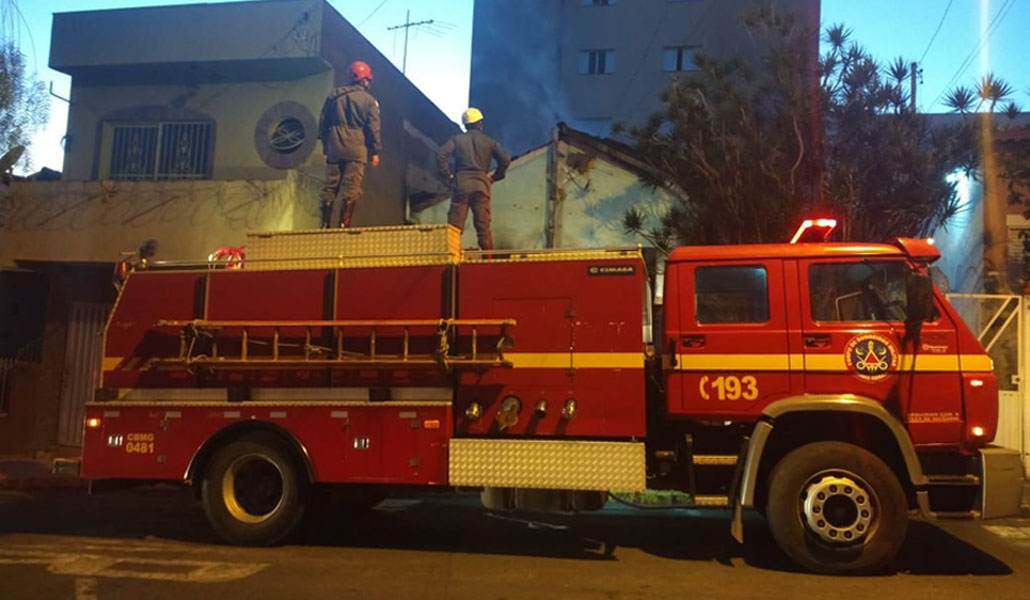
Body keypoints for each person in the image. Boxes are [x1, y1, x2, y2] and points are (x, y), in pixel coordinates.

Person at [317, 60, 382, 228]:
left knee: (330, 186)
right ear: (364, 80)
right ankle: (343, 225)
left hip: (334, 145)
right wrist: (375, 151)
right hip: (356, 148)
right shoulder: (369, 101)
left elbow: (323, 122)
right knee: (351, 188)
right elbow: (373, 128)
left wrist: (325, 142)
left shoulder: (334, 96)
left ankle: (324, 225)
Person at [437, 107, 510, 250]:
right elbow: (505, 160)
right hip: (482, 186)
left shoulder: (457, 139)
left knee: (454, 228)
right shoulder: (489, 142)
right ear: (480, 123)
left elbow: (441, 154)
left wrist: (448, 175)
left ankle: (452, 257)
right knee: (483, 227)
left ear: (465, 125)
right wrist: (495, 177)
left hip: (461, 185)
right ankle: (488, 258)